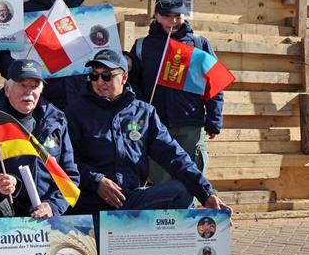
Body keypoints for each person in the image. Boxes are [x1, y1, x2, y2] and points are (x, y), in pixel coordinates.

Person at [66, 49, 230, 215]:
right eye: (94, 75)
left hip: (131, 200)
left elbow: (173, 154)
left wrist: (206, 193)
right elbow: (65, 161)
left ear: (124, 77)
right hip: (91, 201)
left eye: (107, 76)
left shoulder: (144, 113)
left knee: (183, 191)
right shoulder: (75, 112)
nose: (99, 82)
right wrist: (96, 180)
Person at [0, 59, 81, 219]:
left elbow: (69, 175)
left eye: (34, 86)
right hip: (5, 211)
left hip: (46, 212)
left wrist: (52, 206)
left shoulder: (57, 122)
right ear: (7, 89)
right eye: (22, 85)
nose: (29, 92)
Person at [129, 0, 224, 183]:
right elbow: (133, 85)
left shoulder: (199, 44)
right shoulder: (141, 46)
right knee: (159, 179)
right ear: (156, 16)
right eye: (167, 16)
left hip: (191, 123)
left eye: (178, 16)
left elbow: (214, 83)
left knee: (192, 179)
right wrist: (141, 116)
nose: (173, 21)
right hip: (156, 124)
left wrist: (214, 119)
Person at [0, 0, 87, 112]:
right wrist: (21, 75)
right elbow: (4, 57)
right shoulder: (23, 13)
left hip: (77, 98)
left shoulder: (83, 13)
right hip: (36, 99)